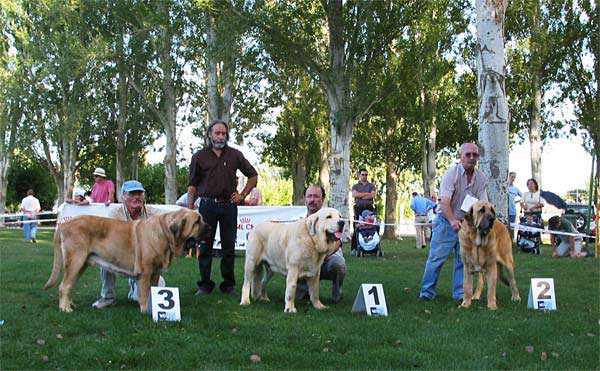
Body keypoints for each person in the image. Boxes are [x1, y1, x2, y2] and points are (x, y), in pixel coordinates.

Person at [187, 119, 258, 296]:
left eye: (223, 133)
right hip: (207, 206)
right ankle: (204, 285)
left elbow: (253, 175)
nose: (220, 136)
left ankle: (228, 286)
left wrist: (242, 195)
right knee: (205, 247)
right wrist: (190, 210)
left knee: (228, 248)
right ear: (209, 135)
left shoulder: (235, 155)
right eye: (217, 133)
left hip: (228, 206)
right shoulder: (199, 157)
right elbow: (192, 185)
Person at [419, 143, 489, 302]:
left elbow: (483, 204)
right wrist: (452, 220)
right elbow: (444, 202)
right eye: (468, 155)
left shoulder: (481, 178)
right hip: (445, 222)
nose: (472, 158)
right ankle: (426, 293)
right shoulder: (451, 174)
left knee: (462, 261)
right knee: (436, 259)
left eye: (475, 155)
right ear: (461, 156)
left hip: (466, 225)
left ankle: (460, 295)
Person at [92, 180, 165, 309]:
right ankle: (108, 297)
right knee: (103, 256)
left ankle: (135, 288)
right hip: (122, 257)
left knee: (159, 288)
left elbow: (167, 223)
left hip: (146, 261)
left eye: (139, 193)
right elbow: (112, 241)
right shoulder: (114, 214)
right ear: (123, 197)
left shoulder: (155, 213)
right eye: (132, 193)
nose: (137, 196)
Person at [296, 185, 346, 303]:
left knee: (338, 264)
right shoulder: (298, 221)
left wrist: (324, 254)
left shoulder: (333, 218)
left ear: (323, 199)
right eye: (309, 196)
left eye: (316, 197)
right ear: (305, 199)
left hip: (328, 259)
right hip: (305, 261)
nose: (312, 200)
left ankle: (337, 293)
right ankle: (304, 292)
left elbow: (338, 241)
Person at [507, 172, 522, 239]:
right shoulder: (504, 187)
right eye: (512, 177)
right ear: (508, 177)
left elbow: (523, 197)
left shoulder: (515, 189)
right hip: (504, 211)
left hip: (512, 211)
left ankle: (511, 241)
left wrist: (515, 202)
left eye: (514, 177)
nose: (513, 178)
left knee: (511, 228)